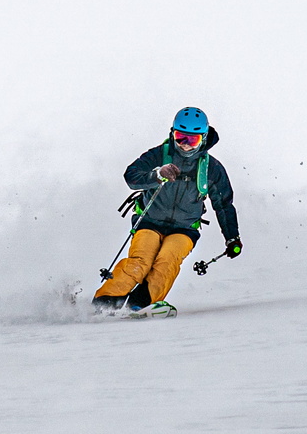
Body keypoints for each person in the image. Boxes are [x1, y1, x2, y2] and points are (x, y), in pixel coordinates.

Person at [93, 107, 242, 316]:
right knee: (141, 261)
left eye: (193, 140)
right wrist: (156, 174)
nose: (185, 145)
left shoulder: (212, 168)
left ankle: (140, 303)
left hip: (184, 228)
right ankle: (104, 302)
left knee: (167, 260)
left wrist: (232, 238)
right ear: (172, 133)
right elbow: (131, 176)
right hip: (149, 221)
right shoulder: (159, 155)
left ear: (204, 139)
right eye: (180, 138)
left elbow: (224, 204)